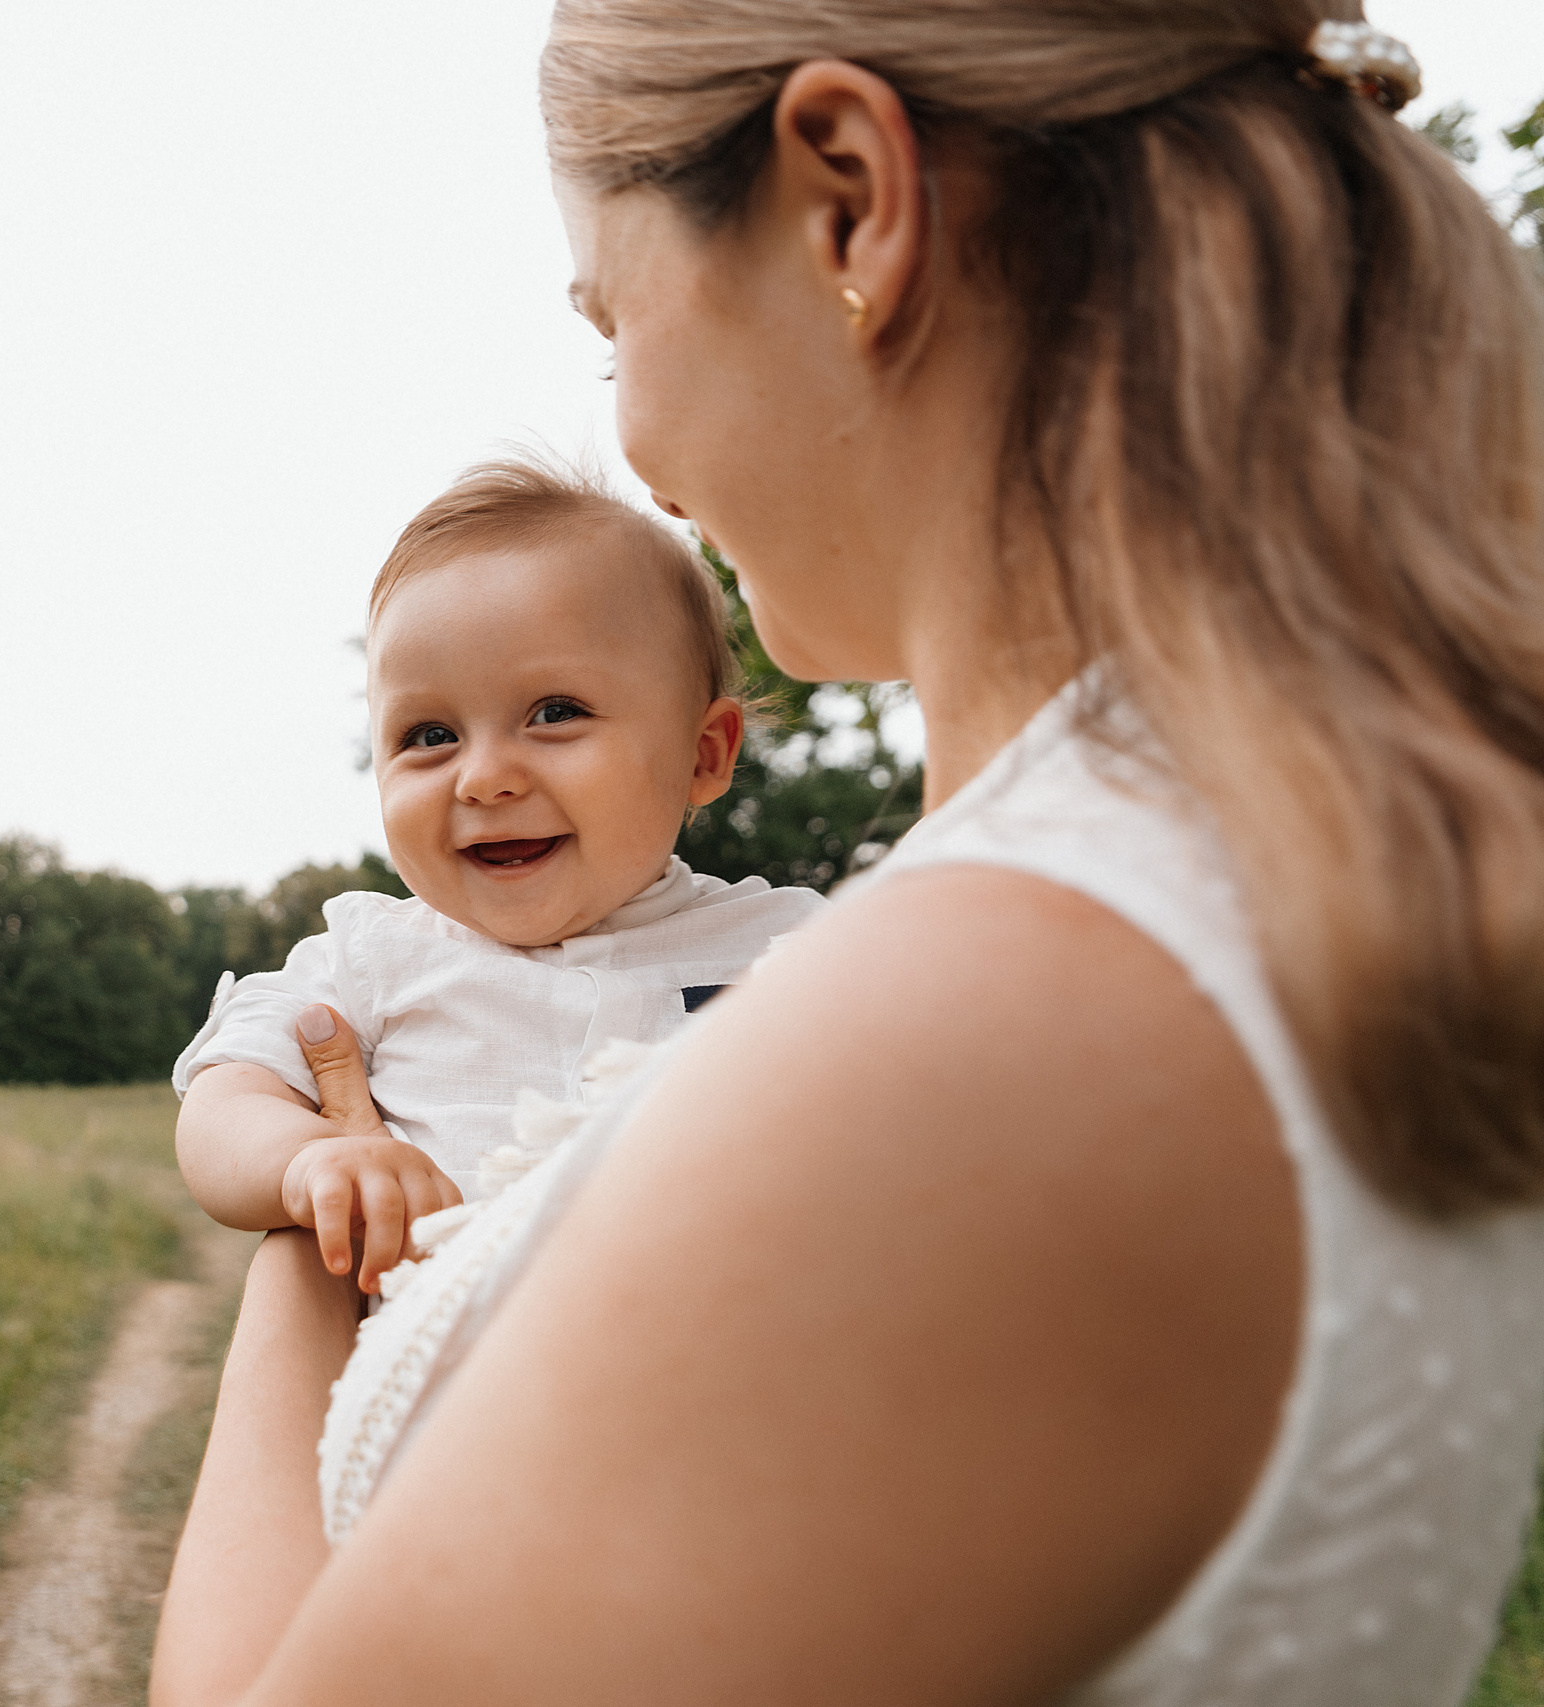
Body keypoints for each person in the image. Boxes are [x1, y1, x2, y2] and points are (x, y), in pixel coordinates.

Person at [148, 4, 1544, 1704]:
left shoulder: (1009, 1011)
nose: (639, 438)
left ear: (847, 207)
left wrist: (312, 1255)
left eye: (613, 327)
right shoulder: (1283, 875)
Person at [171, 458, 823, 1294]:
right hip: (454, 1406)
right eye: (429, 733)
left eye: (555, 714)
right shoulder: (370, 959)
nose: (482, 777)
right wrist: (310, 1159)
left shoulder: (793, 947)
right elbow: (225, 1097)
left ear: (705, 755)